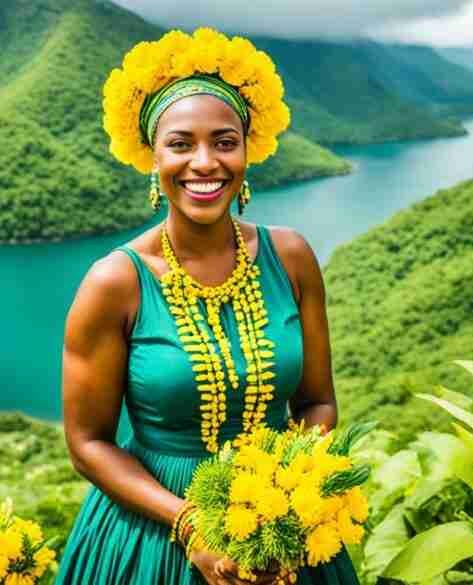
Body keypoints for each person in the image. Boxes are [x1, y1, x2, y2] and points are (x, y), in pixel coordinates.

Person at [55, 28, 359, 585]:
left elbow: (317, 402)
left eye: (224, 142)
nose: (204, 162)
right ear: (153, 157)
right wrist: (192, 525)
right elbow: (88, 444)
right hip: (154, 536)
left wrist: (282, 502)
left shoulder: (291, 258)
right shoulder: (115, 283)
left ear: (247, 150)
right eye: (180, 144)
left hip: (281, 532)